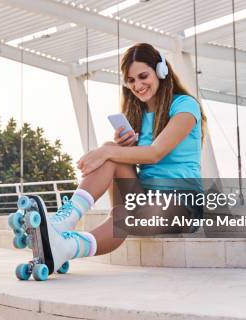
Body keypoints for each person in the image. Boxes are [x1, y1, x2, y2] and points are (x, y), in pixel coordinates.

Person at [41, 43, 207, 268]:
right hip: (144, 196)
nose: (137, 85)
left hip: (180, 201)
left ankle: (66, 246)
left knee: (122, 212)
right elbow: (128, 157)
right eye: (131, 80)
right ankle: (63, 225)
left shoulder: (185, 106)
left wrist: (108, 150)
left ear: (161, 71)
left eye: (143, 76)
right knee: (111, 154)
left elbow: (155, 154)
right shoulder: (136, 112)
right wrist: (121, 147)